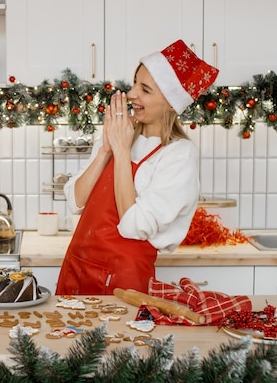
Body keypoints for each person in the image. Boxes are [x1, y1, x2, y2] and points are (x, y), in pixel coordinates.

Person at [56, 39, 219, 295]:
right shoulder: (124, 133)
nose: (132, 94)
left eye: (145, 89)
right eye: (134, 83)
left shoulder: (179, 155)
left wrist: (121, 152)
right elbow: (74, 200)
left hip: (123, 284)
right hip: (77, 268)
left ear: (171, 103)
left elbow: (134, 226)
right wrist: (105, 150)